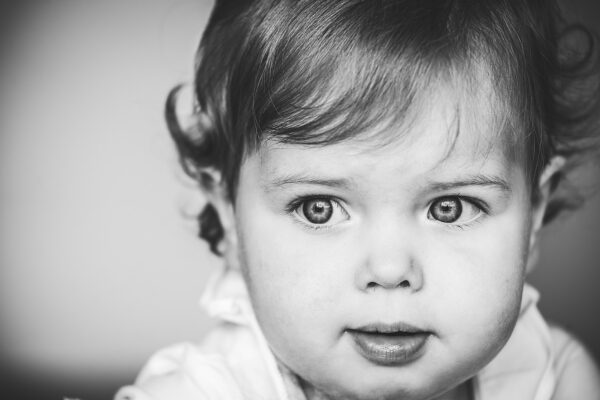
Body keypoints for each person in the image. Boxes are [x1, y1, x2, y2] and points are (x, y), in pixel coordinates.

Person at [116, 0, 600, 399]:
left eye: (449, 207)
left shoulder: (556, 380)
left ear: (533, 213)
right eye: (318, 208)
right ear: (229, 218)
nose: (390, 270)